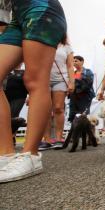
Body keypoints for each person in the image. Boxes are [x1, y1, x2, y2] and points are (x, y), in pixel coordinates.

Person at [0, 0, 67, 183]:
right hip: (17, 15)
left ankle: (30, 155)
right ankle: (6, 154)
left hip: (41, 7)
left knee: (35, 80)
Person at [39, 34, 75, 150]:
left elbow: (70, 66)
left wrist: (71, 82)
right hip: (44, 79)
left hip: (61, 79)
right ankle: (47, 139)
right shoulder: (42, 43)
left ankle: (59, 138)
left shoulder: (66, 47)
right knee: (46, 110)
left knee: (59, 108)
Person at [68, 55, 95, 122]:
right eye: (73, 61)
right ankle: (74, 130)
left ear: (82, 61)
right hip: (74, 97)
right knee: (73, 115)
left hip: (85, 97)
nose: (74, 62)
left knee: (83, 115)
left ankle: (84, 130)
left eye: (76, 61)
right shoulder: (72, 73)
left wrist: (76, 89)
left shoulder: (88, 72)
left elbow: (88, 84)